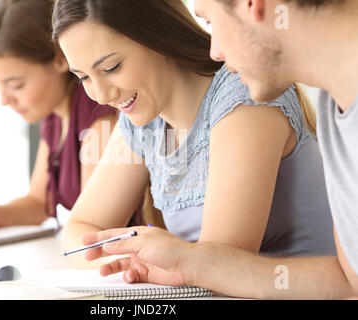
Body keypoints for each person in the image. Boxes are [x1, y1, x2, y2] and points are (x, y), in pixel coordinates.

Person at [82, 0, 358, 299]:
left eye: (210, 22)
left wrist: (192, 264)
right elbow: (348, 280)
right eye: (82, 76)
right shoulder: (337, 104)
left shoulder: (241, 97)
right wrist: (187, 262)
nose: (215, 52)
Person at [0, 0, 118, 233]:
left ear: (60, 58)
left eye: (15, 84)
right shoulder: (54, 116)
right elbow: (39, 202)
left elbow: (95, 225)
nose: (4, 100)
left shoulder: (97, 115)